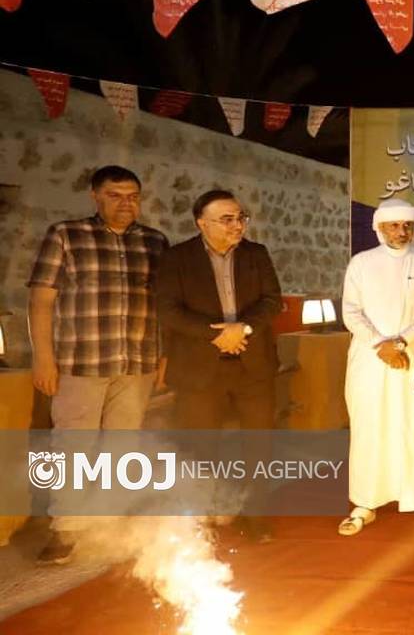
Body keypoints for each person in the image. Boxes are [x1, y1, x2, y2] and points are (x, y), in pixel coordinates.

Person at [27, 165, 169, 565]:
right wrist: (43, 358)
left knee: (123, 446)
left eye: (133, 197)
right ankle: (66, 529)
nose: (126, 204)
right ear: (95, 196)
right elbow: (41, 300)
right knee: (73, 446)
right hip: (81, 361)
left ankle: (110, 527)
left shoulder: (155, 241)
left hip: (137, 361)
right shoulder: (65, 235)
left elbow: (166, 304)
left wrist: (165, 356)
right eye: (115, 196)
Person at [156, 189, 282, 541]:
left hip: (253, 365)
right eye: (227, 219)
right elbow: (168, 310)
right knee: (200, 446)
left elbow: (272, 301)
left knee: (258, 446)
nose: (237, 225)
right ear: (202, 223)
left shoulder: (256, 254)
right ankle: (201, 518)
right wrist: (217, 335)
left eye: (240, 217)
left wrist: (243, 328)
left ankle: (255, 517)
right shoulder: (176, 258)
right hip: (199, 368)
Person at [338, 199, 414, 536]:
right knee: (371, 426)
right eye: (394, 225)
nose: (402, 231)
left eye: (407, 225)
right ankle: (366, 501)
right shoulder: (361, 263)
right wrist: (380, 344)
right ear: (379, 228)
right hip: (370, 359)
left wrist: (401, 342)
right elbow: (351, 312)